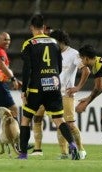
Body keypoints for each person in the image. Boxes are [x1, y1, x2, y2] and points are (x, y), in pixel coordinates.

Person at [18, 14, 79, 160]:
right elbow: (58, 65)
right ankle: (72, 145)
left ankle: (23, 154)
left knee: (26, 120)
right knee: (59, 119)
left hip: (36, 87)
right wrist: (53, 79)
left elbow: (27, 68)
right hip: (53, 84)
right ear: (44, 27)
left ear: (31, 27)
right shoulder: (54, 42)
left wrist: (23, 90)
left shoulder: (29, 44)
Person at [30, 29, 90, 159]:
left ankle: (81, 150)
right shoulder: (52, 53)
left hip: (65, 94)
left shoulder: (74, 54)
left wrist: (78, 87)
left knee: (69, 124)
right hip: (48, 92)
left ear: (61, 41)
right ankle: (59, 152)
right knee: (43, 119)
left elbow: (86, 71)